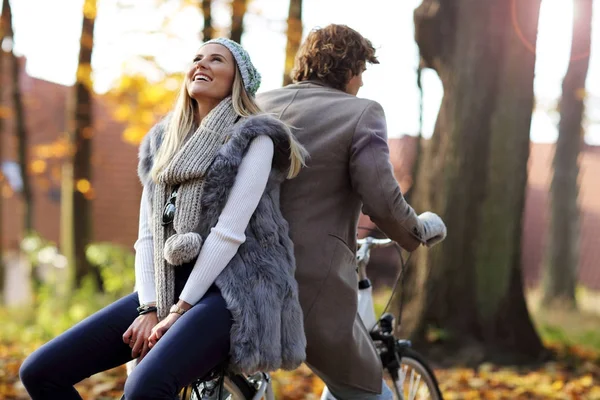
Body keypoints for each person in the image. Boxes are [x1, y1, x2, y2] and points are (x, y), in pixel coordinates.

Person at [19, 37, 308, 399]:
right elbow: (148, 238)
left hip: (236, 286)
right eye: (196, 58)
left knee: (144, 389)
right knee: (41, 372)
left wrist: (179, 311)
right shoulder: (161, 142)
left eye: (216, 59)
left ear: (238, 80)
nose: (201, 64)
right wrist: (149, 308)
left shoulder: (255, 138)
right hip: (169, 282)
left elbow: (228, 234)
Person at [257, 24, 447, 400]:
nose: (361, 83)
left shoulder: (257, 104)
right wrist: (419, 230)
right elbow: (382, 199)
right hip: (307, 281)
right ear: (349, 70)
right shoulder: (360, 113)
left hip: (239, 273)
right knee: (368, 391)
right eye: (361, 72)